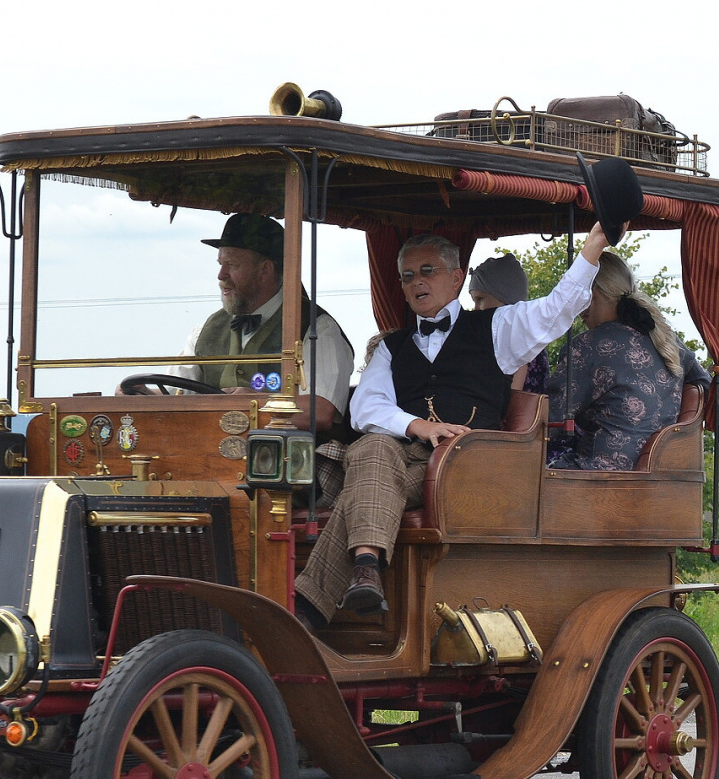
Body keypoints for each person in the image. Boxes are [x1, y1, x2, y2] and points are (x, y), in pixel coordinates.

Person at [295, 225, 612, 626]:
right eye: (408, 276)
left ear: (456, 277)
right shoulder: (391, 346)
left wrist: (592, 248)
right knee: (372, 447)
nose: (417, 282)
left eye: (427, 271)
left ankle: (311, 605)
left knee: (366, 470)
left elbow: (555, 310)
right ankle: (365, 570)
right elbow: (364, 407)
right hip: (401, 460)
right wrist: (417, 425)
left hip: (465, 464)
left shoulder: (496, 327)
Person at [119, 213, 354, 433]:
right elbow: (176, 395)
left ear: (264, 270)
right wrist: (142, 395)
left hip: (287, 456)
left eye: (232, 265)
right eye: (220, 264)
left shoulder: (316, 329)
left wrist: (254, 403)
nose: (221, 275)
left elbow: (320, 411)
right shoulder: (205, 331)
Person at [544, 251, 698, 470]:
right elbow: (703, 382)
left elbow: (549, 419)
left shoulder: (587, 346)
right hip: (661, 471)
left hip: (599, 473)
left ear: (593, 291)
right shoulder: (667, 342)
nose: (577, 309)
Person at [466, 254, 546, 392]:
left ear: (505, 298)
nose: (476, 309)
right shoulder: (523, 334)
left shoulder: (515, 340)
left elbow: (509, 397)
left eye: (480, 299)